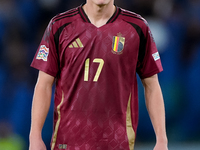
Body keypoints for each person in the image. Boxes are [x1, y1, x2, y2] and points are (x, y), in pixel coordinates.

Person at [29, 0, 168, 150]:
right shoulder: (59, 25)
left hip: (118, 143)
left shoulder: (137, 27)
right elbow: (43, 84)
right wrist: (35, 137)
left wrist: (161, 140)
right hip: (68, 143)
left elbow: (152, 85)